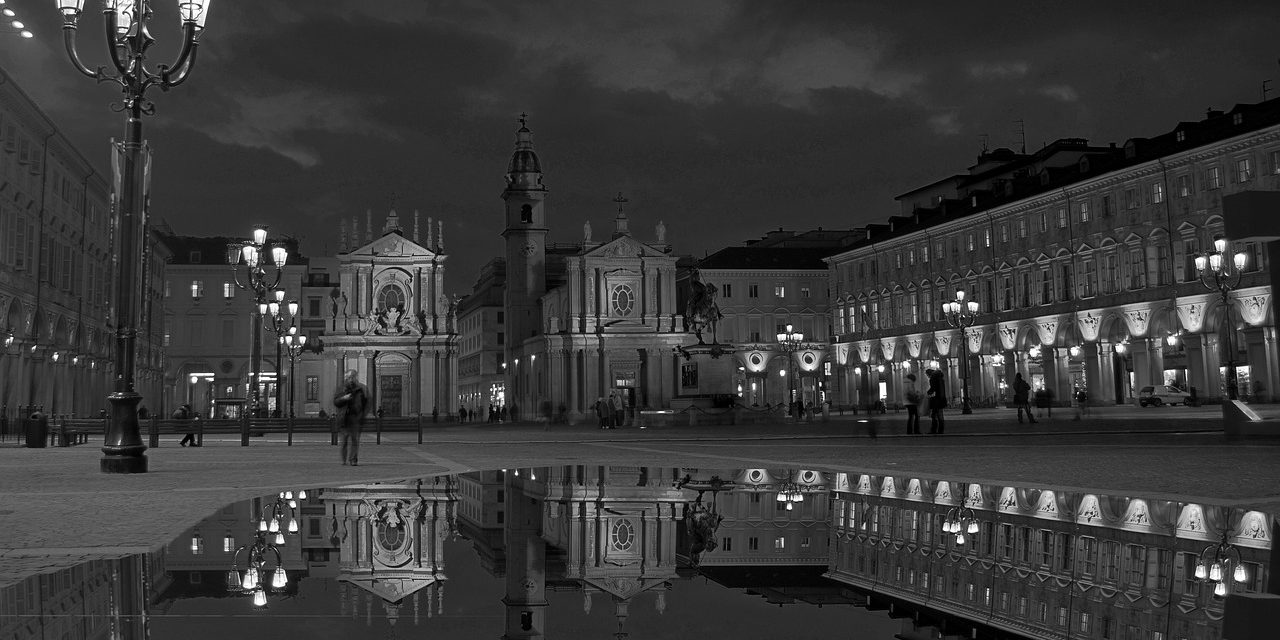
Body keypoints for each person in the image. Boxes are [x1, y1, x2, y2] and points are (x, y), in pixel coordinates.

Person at [333, 369, 370, 466]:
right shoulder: (341, 389)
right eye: (349, 377)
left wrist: (362, 415)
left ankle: (353, 459)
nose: (351, 379)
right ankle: (344, 459)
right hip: (344, 418)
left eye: (353, 377)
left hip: (355, 418)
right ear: (346, 377)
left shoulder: (361, 389)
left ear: (356, 377)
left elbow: (365, 403)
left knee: (355, 440)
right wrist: (343, 398)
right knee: (344, 441)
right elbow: (336, 402)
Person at [926, 368, 946, 434]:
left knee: (934, 415)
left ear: (929, 374)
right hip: (942, 398)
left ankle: (933, 430)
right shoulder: (940, 378)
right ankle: (941, 430)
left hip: (937, 399)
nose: (927, 377)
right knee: (940, 415)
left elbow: (933, 388)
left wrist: (927, 393)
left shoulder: (933, 378)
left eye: (927, 375)